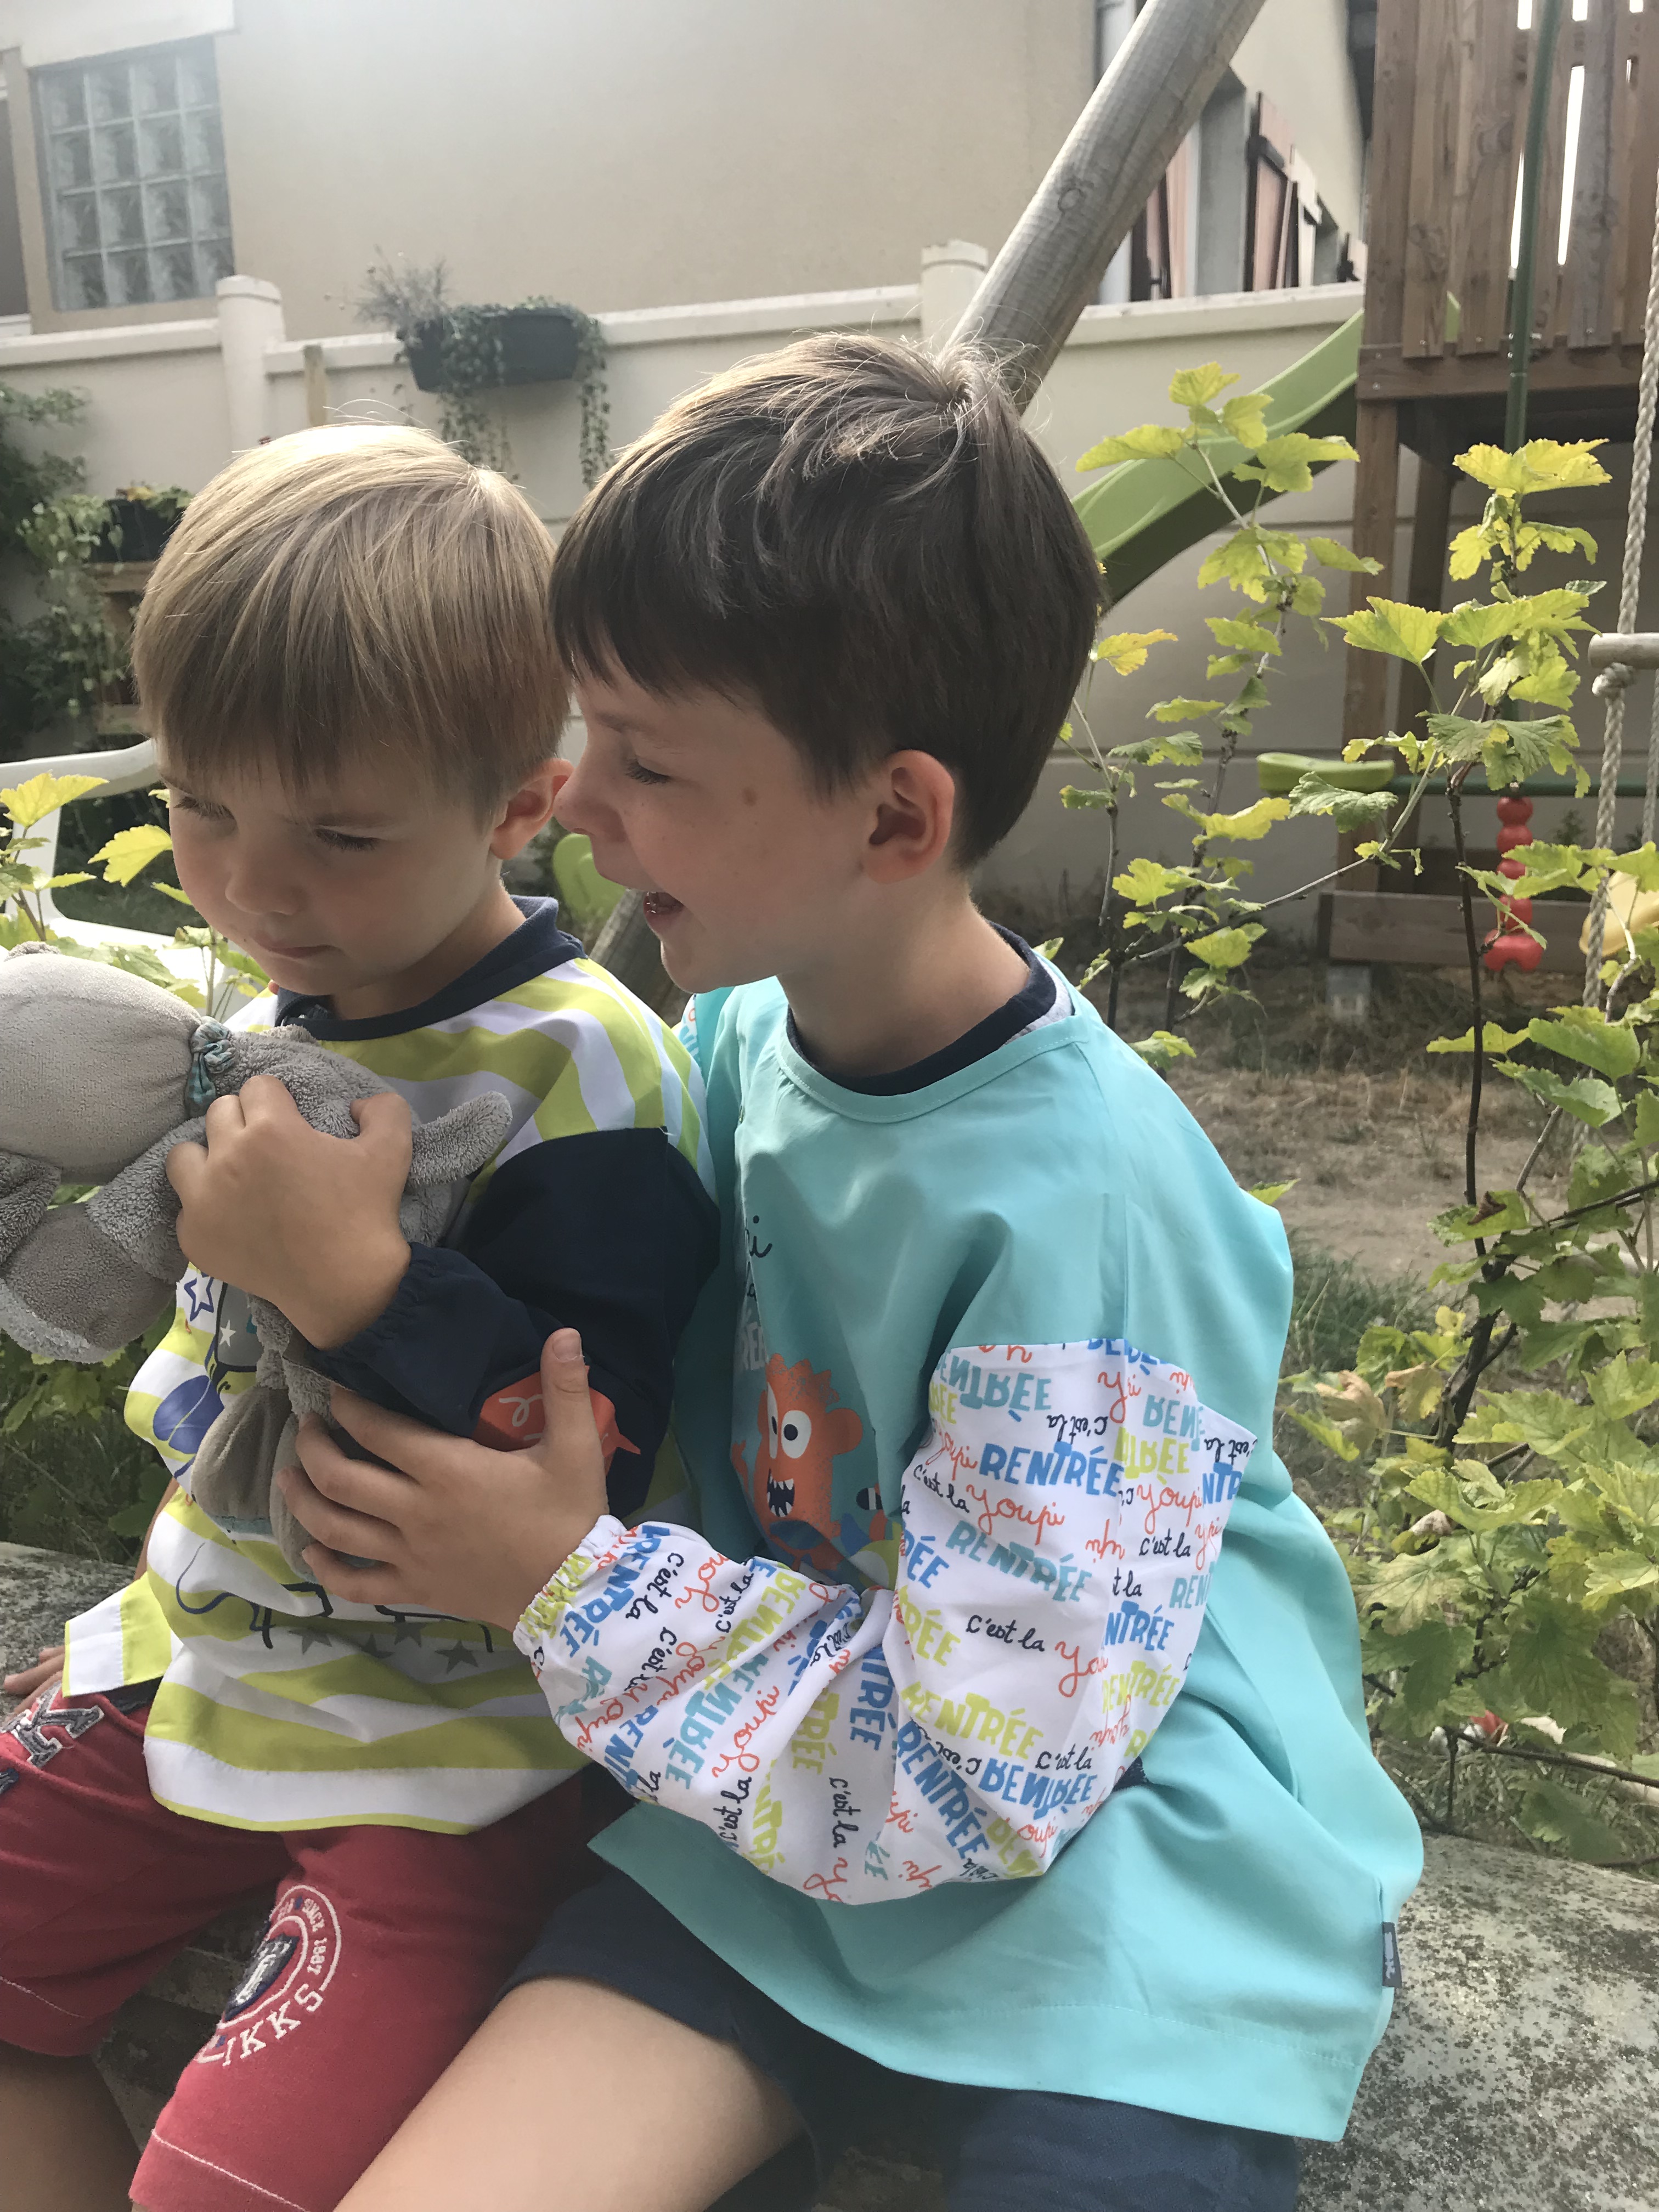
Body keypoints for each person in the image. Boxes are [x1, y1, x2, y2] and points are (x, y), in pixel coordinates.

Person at [281, 338, 1425, 2212]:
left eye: (649, 760)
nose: (577, 800)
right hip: (771, 1799)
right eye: (589, 733)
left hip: (1125, 1853)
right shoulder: (743, 1039)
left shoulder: (1081, 1205)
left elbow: (994, 1769)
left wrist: (560, 1580)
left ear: (894, 818)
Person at [0, 426, 717, 2212]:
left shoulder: (582, 1074)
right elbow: (220, 1381)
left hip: (464, 1752)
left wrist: (356, 1285)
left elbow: (596, 1453)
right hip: (212, 1660)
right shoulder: (276, 1017)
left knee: (225, 2186)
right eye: (202, 807)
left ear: (519, 807)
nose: (258, 884)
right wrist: (140, 1614)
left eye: (337, 832)